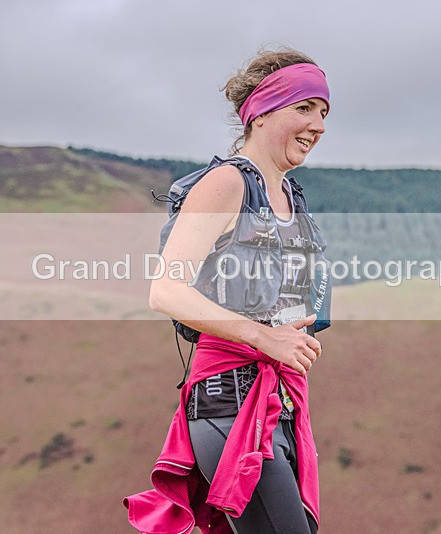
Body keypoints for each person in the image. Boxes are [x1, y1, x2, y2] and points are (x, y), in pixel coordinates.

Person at [124, 47, 330, 534]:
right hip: (230, 403)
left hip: (277, 404)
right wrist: (265, 338)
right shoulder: (226, 183)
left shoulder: (290, 198)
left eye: (323, 113)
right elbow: (166, 290)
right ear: (260, 112)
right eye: (304, 108)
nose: (318, 125)